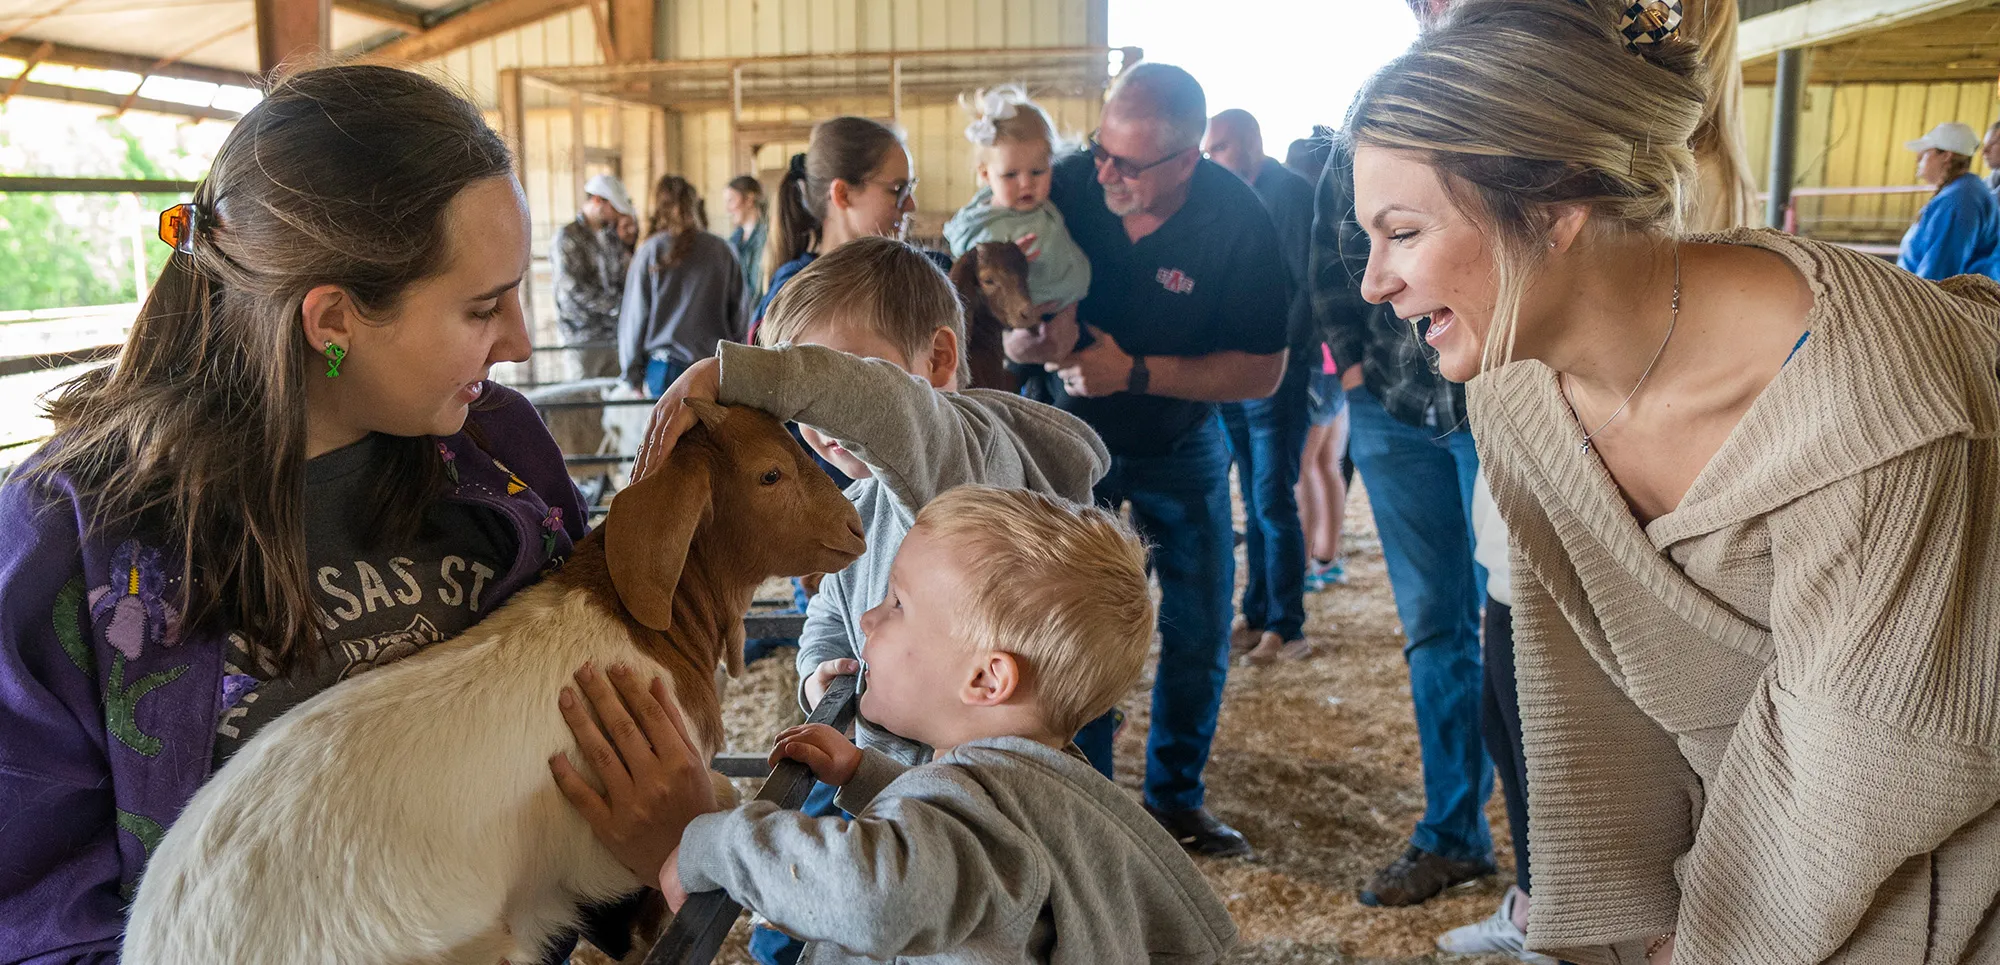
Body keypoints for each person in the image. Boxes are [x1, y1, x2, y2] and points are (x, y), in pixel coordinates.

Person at [1347, 2, 2000, 962]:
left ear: (1556, 210)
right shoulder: (1519, 391)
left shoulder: (1871, 405)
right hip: (1737, 872)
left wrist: (1706, 945)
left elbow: (1875, 761)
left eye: (1402, 231)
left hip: (1929, 881)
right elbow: (1582, 692)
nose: (1374, 281)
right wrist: (1618, 922)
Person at [0, 65, 598, 962]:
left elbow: (598, 713)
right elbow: (33, 914)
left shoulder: (500, 455)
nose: (516, 338)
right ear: (333, 319)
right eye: (483, 307)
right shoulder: (74, 540)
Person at [635, 236, 1106, 965]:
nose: (817, 418)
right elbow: (833, 607)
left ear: (939, 362)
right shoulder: (861, 499)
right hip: (894, 778)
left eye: (825, 377)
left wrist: (733, 372)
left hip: (972, 793)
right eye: (803, 390)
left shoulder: (970, 463)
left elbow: (889, 408)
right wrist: (822, 666)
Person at [551, 486, 1238, 965]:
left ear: (986, 679)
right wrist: (866, 776)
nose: (870, 619)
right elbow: (964, 856)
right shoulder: (1054, 787)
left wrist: (712, 841)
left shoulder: (968, 813)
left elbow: (873, 895)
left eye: (897, 603)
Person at [1004, 63, 1290, 859]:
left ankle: (1173, 798)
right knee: (1067, 620)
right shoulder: (1062, 183)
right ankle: (1085, 794)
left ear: (1188, 159)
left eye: (1128, 164)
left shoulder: (1239, 220)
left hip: (1180, 438)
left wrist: (1133, 371)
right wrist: (1025, 336)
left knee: (1197, 625)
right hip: (1066, 439)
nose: (1105, 175)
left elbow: (1262, 369)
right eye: (1100, 151)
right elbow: (993, 295)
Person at [1312, 137, 1495, 905]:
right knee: (1434, 625)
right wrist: (1353, 371)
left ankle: (1568, 856)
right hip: (1392, 403)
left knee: (1532, 625)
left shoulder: (1500, 115)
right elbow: (1331, 256)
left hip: (1497, 402)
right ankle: (1455, 834)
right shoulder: (1361, 136)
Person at [1202, 107, 1319, 665]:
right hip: (1233, 375)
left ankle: (1287, 624)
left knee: (1272, 499)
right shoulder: (1231, 197)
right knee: (1251, 497)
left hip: (1273, 374)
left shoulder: (1289, 193)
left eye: (1220, 147)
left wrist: (1278, 357)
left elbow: (1303, 285)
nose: (1212, 159)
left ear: (1250, 141)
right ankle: (1255, 612)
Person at [1435, 472, 1548, 965]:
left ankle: (1566, 929)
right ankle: (1532, 908)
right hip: (1508, 560)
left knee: (1543, 755)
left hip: (1545, 558)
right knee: (1503, 733)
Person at [755, 116, 920, 332]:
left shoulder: (905, 282)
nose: (910, 205)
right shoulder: (797, 295)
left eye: (910, 188)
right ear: (842, 194)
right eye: (898, 190)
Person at [942, 84, 1093, 312]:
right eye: (1010, 175)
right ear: (985, 174)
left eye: (1038, 172)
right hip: (1017, 313)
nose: (1026, 183)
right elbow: (974, 271)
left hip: (1066, 306)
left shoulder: (1046, 208)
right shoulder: (985, 227)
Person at [618, 174, 744, 397]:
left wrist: (632, 375)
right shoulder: (722, 250)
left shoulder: (650, 253)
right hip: (713, 370)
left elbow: (635, 318)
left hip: (664, 370)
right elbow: (741, 317)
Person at [555, 172, 638, 379]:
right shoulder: (567, 237)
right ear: (598, 201)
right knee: (584, 401)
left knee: (612, 403)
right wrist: (619, 308)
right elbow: (574, 288)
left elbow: (619, 278)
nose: (616, 216)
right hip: (582, 336)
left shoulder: (611, 237)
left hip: (613, 335)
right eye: (614, 209)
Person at [1898, 121, 2000, 281]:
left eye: (1926, 153)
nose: (1918, 159)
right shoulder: (1962, 191)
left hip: (1944, 301)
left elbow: (1940, 271)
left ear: (1946, 155)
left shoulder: (1960, 199)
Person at [1296, 343, 1349, 590]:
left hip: (1314, 363)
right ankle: (1327, 561)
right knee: (1326, 463)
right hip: (1335, 363)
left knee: (1304, 465)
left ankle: (1304, 568)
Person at [724, 174, 769, 309]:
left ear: (749, 199)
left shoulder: (768, 237)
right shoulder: (733, 241)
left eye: (731, 200)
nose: (727, 209)